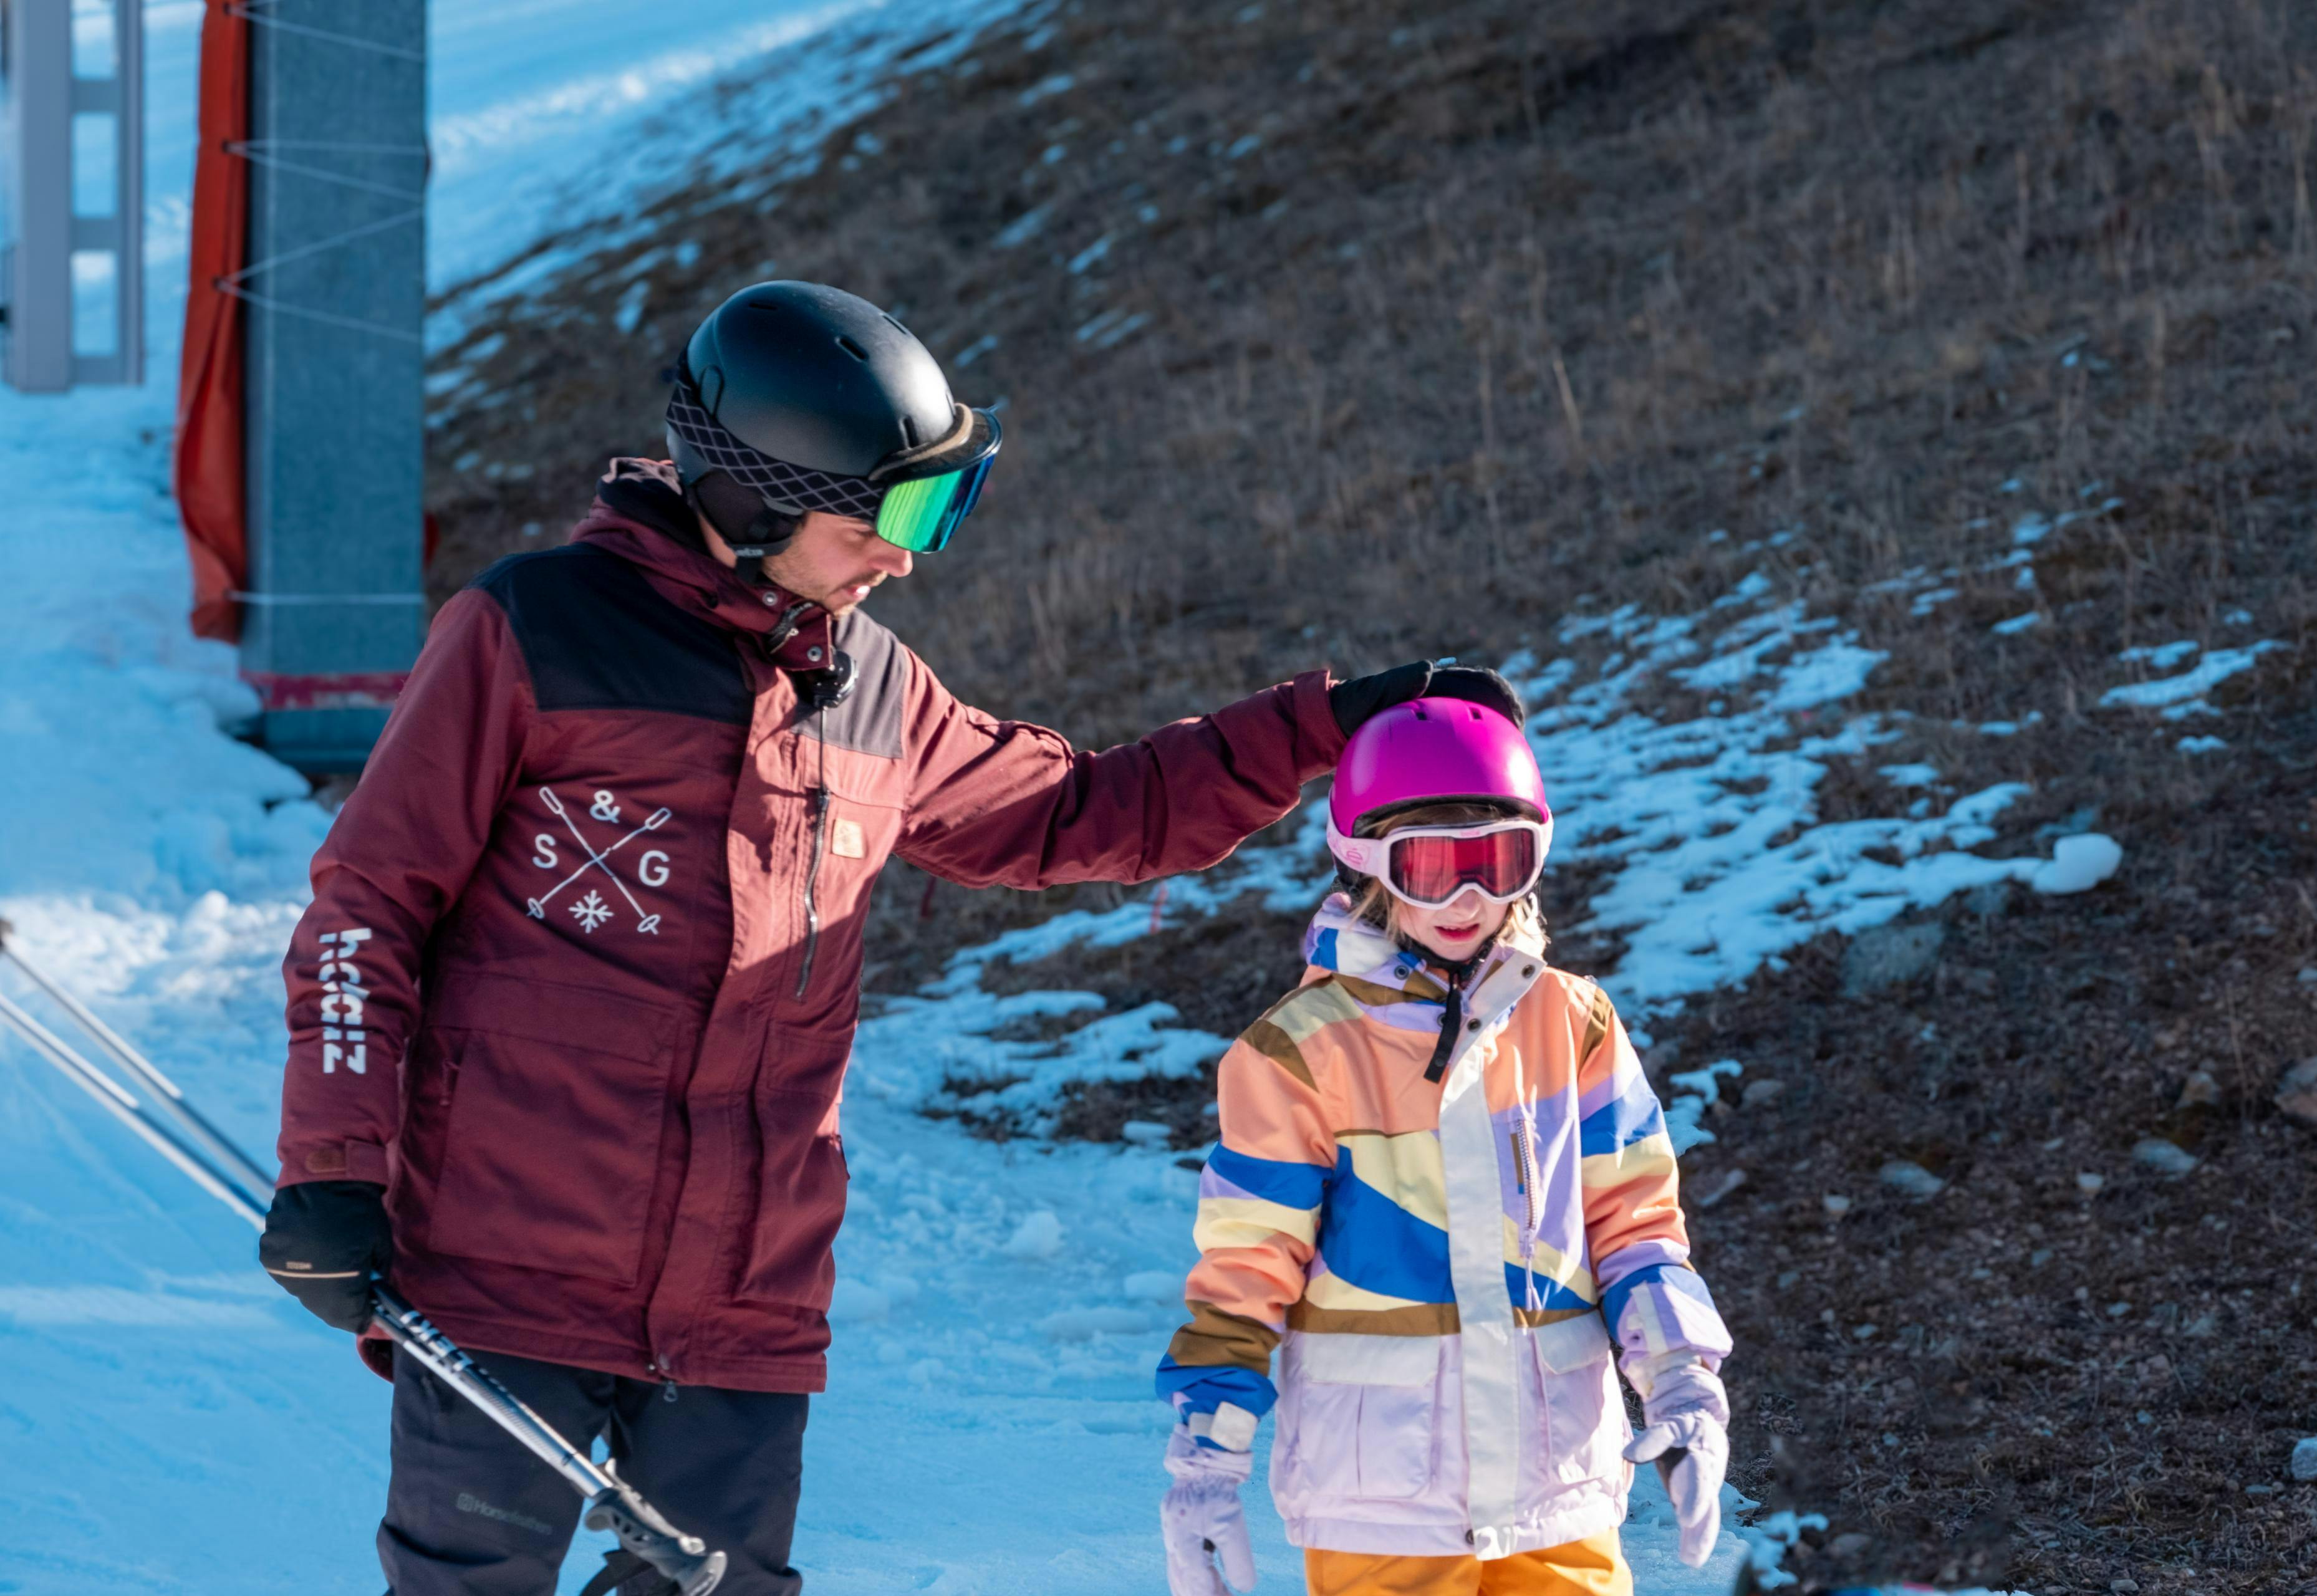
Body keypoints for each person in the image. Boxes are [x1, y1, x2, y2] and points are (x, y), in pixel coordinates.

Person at [253, 279, 1512, 1596]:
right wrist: (335, 1164)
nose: (910, 553)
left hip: (744, 1302)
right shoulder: (533, 633)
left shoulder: (871, 691)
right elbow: (368, 906)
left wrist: (1334, 720)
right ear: (759, 499)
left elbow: (1085, 809)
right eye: (898, 511)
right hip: (510, 1270)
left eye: (940, 510)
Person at [1154, 695, 1735, 1596]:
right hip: (1381, 1503)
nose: (1469, 900)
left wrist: (1683, 1384)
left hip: (1560, 1491)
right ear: (1366, 866)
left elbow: (1637, 1228)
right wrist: (1205, 1468)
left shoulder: (1572, 1023)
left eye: (1499, 863)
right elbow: (1245, 1273)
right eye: (1429, 867)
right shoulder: (1301, 1050)